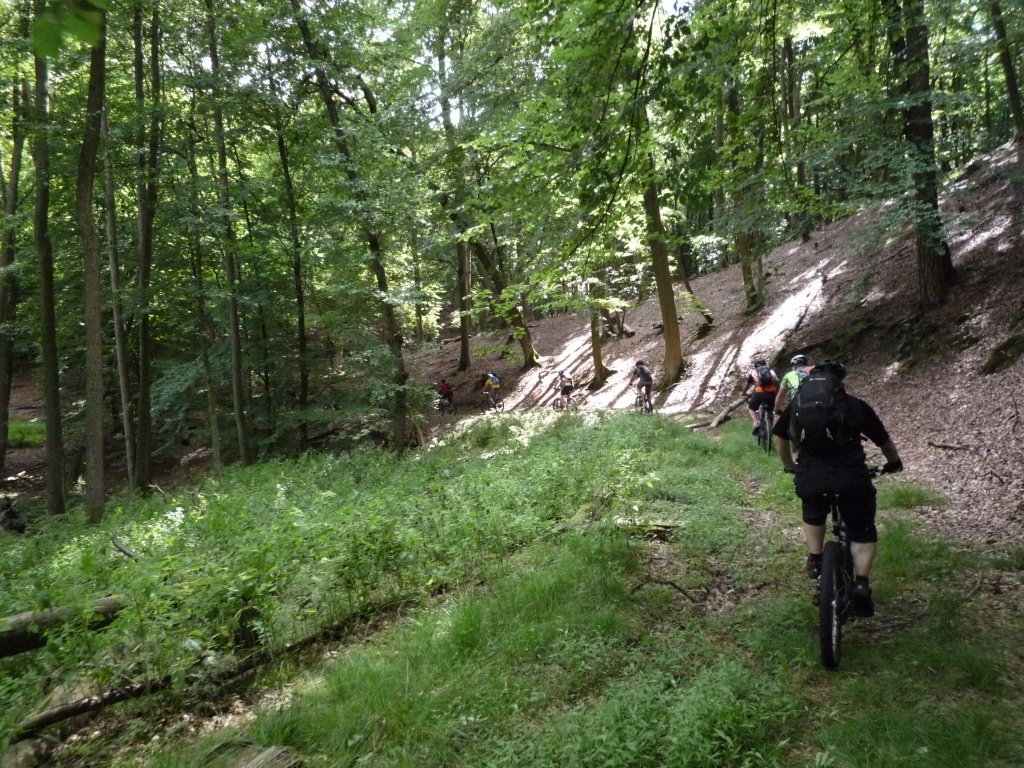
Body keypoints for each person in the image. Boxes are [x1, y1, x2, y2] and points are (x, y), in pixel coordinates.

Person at [773, 361, 903, 617]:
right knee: (862, 526)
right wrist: (894, 463)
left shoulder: (798, 405)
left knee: (813, 508)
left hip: (811, 476)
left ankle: (816, 558)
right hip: (851, 477)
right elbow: (884, 440)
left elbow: (780, 437)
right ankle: (861, 584)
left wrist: (790, 466)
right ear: (839, 383)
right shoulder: (855, 406)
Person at [745, 358, 779, 434]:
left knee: (751, 408)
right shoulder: (771, 372)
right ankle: (770, 429)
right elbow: (777, 383)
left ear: (755, 367)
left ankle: (756, 422)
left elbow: (747, 384)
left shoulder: (754, 372)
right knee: (770, 411)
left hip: (759, 393)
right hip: (771, 393)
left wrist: (743, 392)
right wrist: (776, 392)